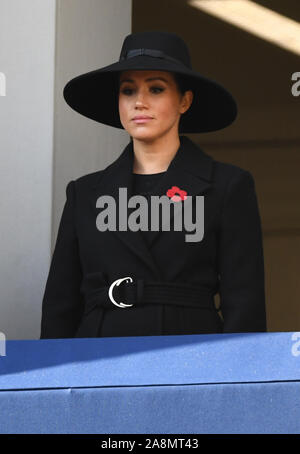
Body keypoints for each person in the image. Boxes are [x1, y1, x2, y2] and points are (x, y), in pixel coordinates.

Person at [40, 31, 266, 339]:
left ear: (184, 101)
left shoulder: (227, 186)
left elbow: (245, 306)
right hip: (97, 362)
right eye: (128, 90)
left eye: (156, 89)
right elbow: (59, 308)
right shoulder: (84, 194)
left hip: (190, 359)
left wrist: (235, 381)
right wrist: (57, 380)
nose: (139, 102)